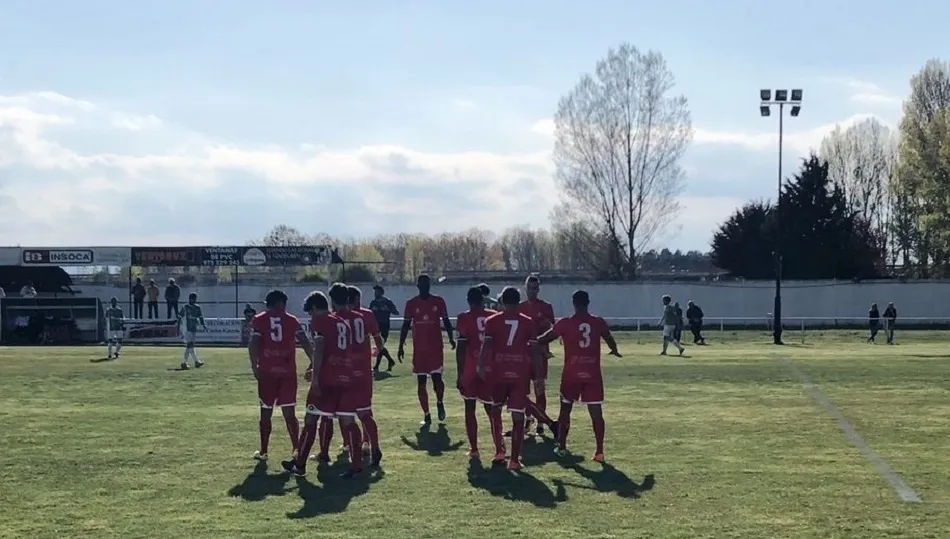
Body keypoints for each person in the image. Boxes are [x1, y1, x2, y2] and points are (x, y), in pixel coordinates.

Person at [283, 285, 363, 478]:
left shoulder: (320, 321)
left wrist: (316, 376)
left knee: (311, 418)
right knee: (348, 421)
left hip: (327, 378)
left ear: (315, 308)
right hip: (346, 376)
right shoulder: (342, 322)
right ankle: (357, 466)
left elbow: (319, 347)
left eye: (310, 312)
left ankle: (300, 464)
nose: (310, 316)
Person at [537, 290, 621, 462]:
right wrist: (614, 350)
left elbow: (546, 338)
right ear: (588, 302)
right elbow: (609, 337)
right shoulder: (597, 321)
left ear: (573, 303)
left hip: (571, 373)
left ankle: (561, 447)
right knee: (596, 412)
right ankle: (599, 451)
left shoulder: (566, 323)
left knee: (565, 410)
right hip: (592, 373)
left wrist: (531, 341)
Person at [478, 286, 539, 471]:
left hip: (499, 372)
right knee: (518, 415)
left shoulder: (492, 321)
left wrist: (480, 365)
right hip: (520, 372)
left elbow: (487, 346)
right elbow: (535, 349)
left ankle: (499, 452)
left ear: (502, 301)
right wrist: (535, 369)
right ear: (518, 301)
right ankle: (514, 460)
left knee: (495, 411)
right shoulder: (528, 322)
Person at [247, 289, 313, 461]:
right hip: (287, 372)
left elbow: (253, 343)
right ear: (282, 303)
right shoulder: (292, 320)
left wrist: (255, 366)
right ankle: (296, 449)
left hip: (267, 372)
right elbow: (305, 341)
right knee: (289, 412)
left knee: (265, 411)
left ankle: (263, 451)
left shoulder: (260, 319)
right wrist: (314, 361)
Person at [398, 274, 455, 426]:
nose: (425, 288)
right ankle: (427, 414)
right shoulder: (411, 304)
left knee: (437, 380)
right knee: (421, 382)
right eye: (422, 285)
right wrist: (400, 345)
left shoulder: (438, 301)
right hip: (420, 350)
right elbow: (405, 325)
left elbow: (447, 321)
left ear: (430, 286)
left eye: (427, 285)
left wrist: (451, 338)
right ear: (418, 286)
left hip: (435, 348)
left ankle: (440, 402)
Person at [455, 286, 504, 460]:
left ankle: (474, 449)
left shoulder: (464, 317)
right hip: (490, 367)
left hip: (471, 368)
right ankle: (499, 449)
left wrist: (460, 372)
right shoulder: (493, 315)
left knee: (470, 407)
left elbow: (461, 346)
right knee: (492, 409)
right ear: (483, 300)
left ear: (468, 301)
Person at [344, 285, 386, 467]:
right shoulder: (368, 315)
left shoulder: (341, 316)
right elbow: (378, 338)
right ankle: (370, 444)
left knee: (346, 411)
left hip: (345, 369)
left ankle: (351, 445)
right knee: (365, 410)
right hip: (363, 369)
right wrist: (378, 350)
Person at [517, 274, 555, 435]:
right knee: (524, 390)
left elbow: (552, 328)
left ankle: (541, 421)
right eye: (530, 288)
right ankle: (528, 419)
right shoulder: (519, 307)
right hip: (523, 355)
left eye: (535, 288)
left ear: (538, 289)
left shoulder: (546, 307)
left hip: (539, 355)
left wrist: (543, 328)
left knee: (540, 389)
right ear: (525, 289)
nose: (532, 291)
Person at [368, 285, 398, 372]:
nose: (375, 293)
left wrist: (387, 309)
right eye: (374, 291)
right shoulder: (373, 303)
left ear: (381, 293)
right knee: (380, 346)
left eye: (377, 291)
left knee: (380, 345)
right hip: (376, 326)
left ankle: (379, 365)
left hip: (384, 326)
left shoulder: (387, 302)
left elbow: (396, 312)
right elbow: (369, 313)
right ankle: (388, 362)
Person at [177, 293, 206, 369]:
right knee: (190, 345)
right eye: (192, 298)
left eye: (194, 299)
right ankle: (188, 362)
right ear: (189, 299)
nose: (193, 300)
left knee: (190, 346)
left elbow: (200, 317)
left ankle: (193, 362)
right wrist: (178, 328)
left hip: (193, 329)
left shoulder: (197, 307)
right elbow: (179, 317)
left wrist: (203, 325)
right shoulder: (185, 307)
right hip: (186, 329)